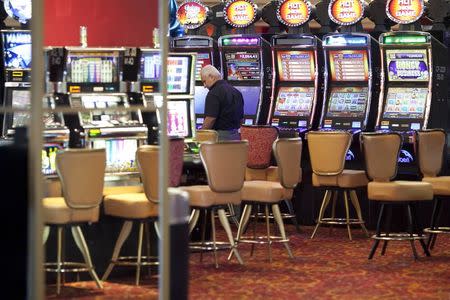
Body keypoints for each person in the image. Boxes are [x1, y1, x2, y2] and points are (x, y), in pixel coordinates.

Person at [200, 65, 244, 141]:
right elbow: (241, 119)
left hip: (219, 137)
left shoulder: (213, 93)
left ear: (211, 76)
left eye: (204, 81)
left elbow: (210, 119)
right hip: (236, 136)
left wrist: (200, 136)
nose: (204, 86)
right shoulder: (236, 92)